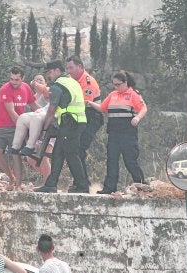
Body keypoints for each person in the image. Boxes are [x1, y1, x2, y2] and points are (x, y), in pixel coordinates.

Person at [34, 60, 89, 194]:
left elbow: (51, 110)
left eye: (50, 72)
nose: (48, 76)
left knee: (71, 154)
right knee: (58, 152)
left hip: (70, 122)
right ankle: (51, 184)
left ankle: (82, 186)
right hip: (76, 121)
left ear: (58, 71)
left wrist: (45, 129)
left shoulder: (58, 85)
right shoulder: (72, 82)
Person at [88, 71, 147, 194]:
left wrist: (137, 118)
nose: (116, 87)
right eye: (114, 85)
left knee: (130, 161)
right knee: (112, 160)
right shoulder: (113, 95)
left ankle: (141, 185)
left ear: (125, 83)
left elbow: (143, 108)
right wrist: (89, 102)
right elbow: (102, 108)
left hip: (128, 134)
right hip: (114, 133)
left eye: (118, 84)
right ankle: (109, 188)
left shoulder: (133, 94)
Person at [0, 66, 39, 191]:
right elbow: (12, 113)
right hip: (2, 126)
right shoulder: (5, 90)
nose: (13, 82)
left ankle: (18, 185)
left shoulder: (26, 88)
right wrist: (26, 127)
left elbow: (33, 105)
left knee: (15, 155)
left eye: (17, 80)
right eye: (11, 79)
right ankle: (11, 177)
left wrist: (44, 114)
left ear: (23, 78)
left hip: (17, 127)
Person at [65, 55, 102, 189]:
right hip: (80, 117)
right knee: (73, 149)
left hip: (91, 116)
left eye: (71, 68)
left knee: (78, 148)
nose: (68, 71)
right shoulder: (72, 80)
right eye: (67, 68)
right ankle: (81, 182)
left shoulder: (88, 82)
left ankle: (83, 183)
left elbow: (84, 103)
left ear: (80, 67)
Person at [9, 74, 53, 187]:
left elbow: (42, 109)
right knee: (31, 159)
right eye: (36, 79)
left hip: (48, 129)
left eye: (41, 80)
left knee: (44, 157)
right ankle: (48, 178)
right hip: (36, 132)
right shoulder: (32, 96)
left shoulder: (47, 94)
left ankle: (48, 182)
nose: (38, 81)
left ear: (45, 83)